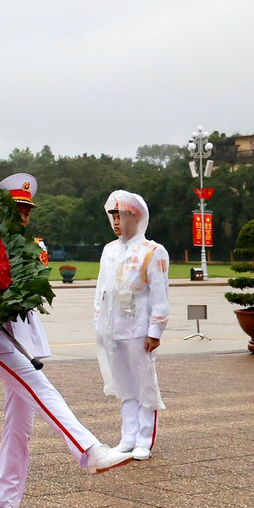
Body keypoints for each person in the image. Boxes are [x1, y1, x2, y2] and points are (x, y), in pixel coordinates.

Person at [0, 174, 135, 508]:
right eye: (18, 210)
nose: (24, 217)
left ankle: (4, 505)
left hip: (24, 340)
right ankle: (88, 450)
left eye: (27, 210)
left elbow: (36, 285)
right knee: (43, 389)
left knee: (19, 429)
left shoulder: (32, 245)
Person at [94, 191, 169, 461]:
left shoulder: (153, 251)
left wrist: (155, 331)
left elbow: (159, 296)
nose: (115, 221)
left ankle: (144, 440)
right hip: (114, 328)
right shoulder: (110, 251)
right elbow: (101, 290)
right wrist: (99, 324)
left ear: (136, 217)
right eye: (112, 215)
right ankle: (128, 436)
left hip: (138, 328)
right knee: (124, 385)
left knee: (144, 384)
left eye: (121, 215)